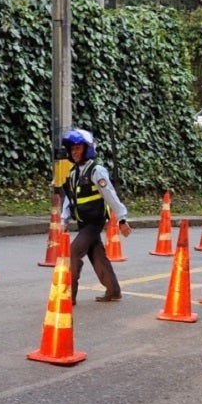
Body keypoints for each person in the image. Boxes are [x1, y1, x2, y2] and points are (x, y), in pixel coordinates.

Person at [59, 128, 132, 303]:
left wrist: (122, 218)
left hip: (94, 221)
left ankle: (69, 295)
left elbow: (110, 195)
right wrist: (64, 219)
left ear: (87, 149)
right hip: (83, 222)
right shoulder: (73, 173)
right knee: (96, 253)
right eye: (72, 149)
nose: (75, 152)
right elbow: (70, 199)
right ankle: (113, 290)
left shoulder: (96, 170)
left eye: (78, 148)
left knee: (74, 251)